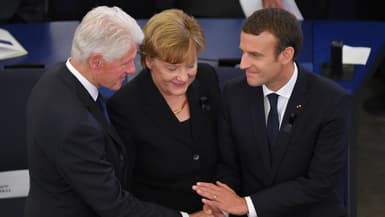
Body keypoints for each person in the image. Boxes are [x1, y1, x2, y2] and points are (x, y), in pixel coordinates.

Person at [24, 6, 212, 217]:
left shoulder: (55, 78)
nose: (132, 69)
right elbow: (114, 205)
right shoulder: (75, 125)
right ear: (96, 61)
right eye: (125, 62)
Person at [193, 8, 351, 217]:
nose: (242, 64)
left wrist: (247, 205)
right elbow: (229, 165)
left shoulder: (331, 101)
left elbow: (319, 183)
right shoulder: (233, 94)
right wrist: (220, 204)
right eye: (243, 51)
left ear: (286, 55)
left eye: (255, 55)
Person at [107, 9, 221, 214]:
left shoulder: (207, 78)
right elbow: (124, 188)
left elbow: (228, 151)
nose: (183, 77)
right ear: (149, 61)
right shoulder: (125, 106)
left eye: (190, 65)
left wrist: (219, 204)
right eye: (172, 68)